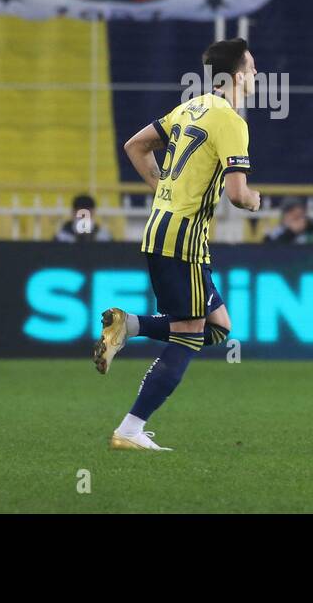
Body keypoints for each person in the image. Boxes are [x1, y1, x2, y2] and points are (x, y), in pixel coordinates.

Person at [93, 37, 261, 451]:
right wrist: (255, 200)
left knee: (218, 328)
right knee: (188, 335)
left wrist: (160, 186)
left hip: (165, 231)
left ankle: (130, 325)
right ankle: (130, 430)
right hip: (182, 239)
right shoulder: (232, 122)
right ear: (239, 74)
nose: (257, 74)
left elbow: (135, 145)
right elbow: (238, 194)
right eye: (253, 67)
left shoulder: (192, 106)